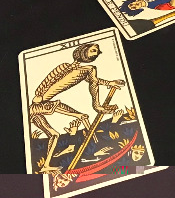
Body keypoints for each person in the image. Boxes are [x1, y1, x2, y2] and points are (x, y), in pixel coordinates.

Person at [28, 43, 125, 173]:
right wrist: (39, 95)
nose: (96, 53)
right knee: (82, 116)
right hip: (38, 105)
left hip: (38, 107)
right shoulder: (68, 67)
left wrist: (109, 83)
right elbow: (48, 81)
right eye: (94, 50)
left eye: (97, 52)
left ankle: (45, 166)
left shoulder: (87, 70)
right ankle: (96, 143)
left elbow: (93, 81)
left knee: (54, 135)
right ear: (83, 51)